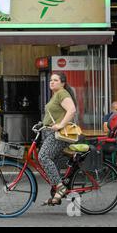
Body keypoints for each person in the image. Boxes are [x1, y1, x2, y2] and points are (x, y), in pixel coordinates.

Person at [39, 72, 77, 206]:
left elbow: (71, 110)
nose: (52, 82)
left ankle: (60, 188)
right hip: (51, 132)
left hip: (59, 134)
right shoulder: (56, 95)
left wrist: (61, 125)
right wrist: (42, 124)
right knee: (52, 160)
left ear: (62, 83)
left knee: (43, 156)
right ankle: (57, 190)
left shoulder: (62, 93)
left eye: (55, 80)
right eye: (51, 80)